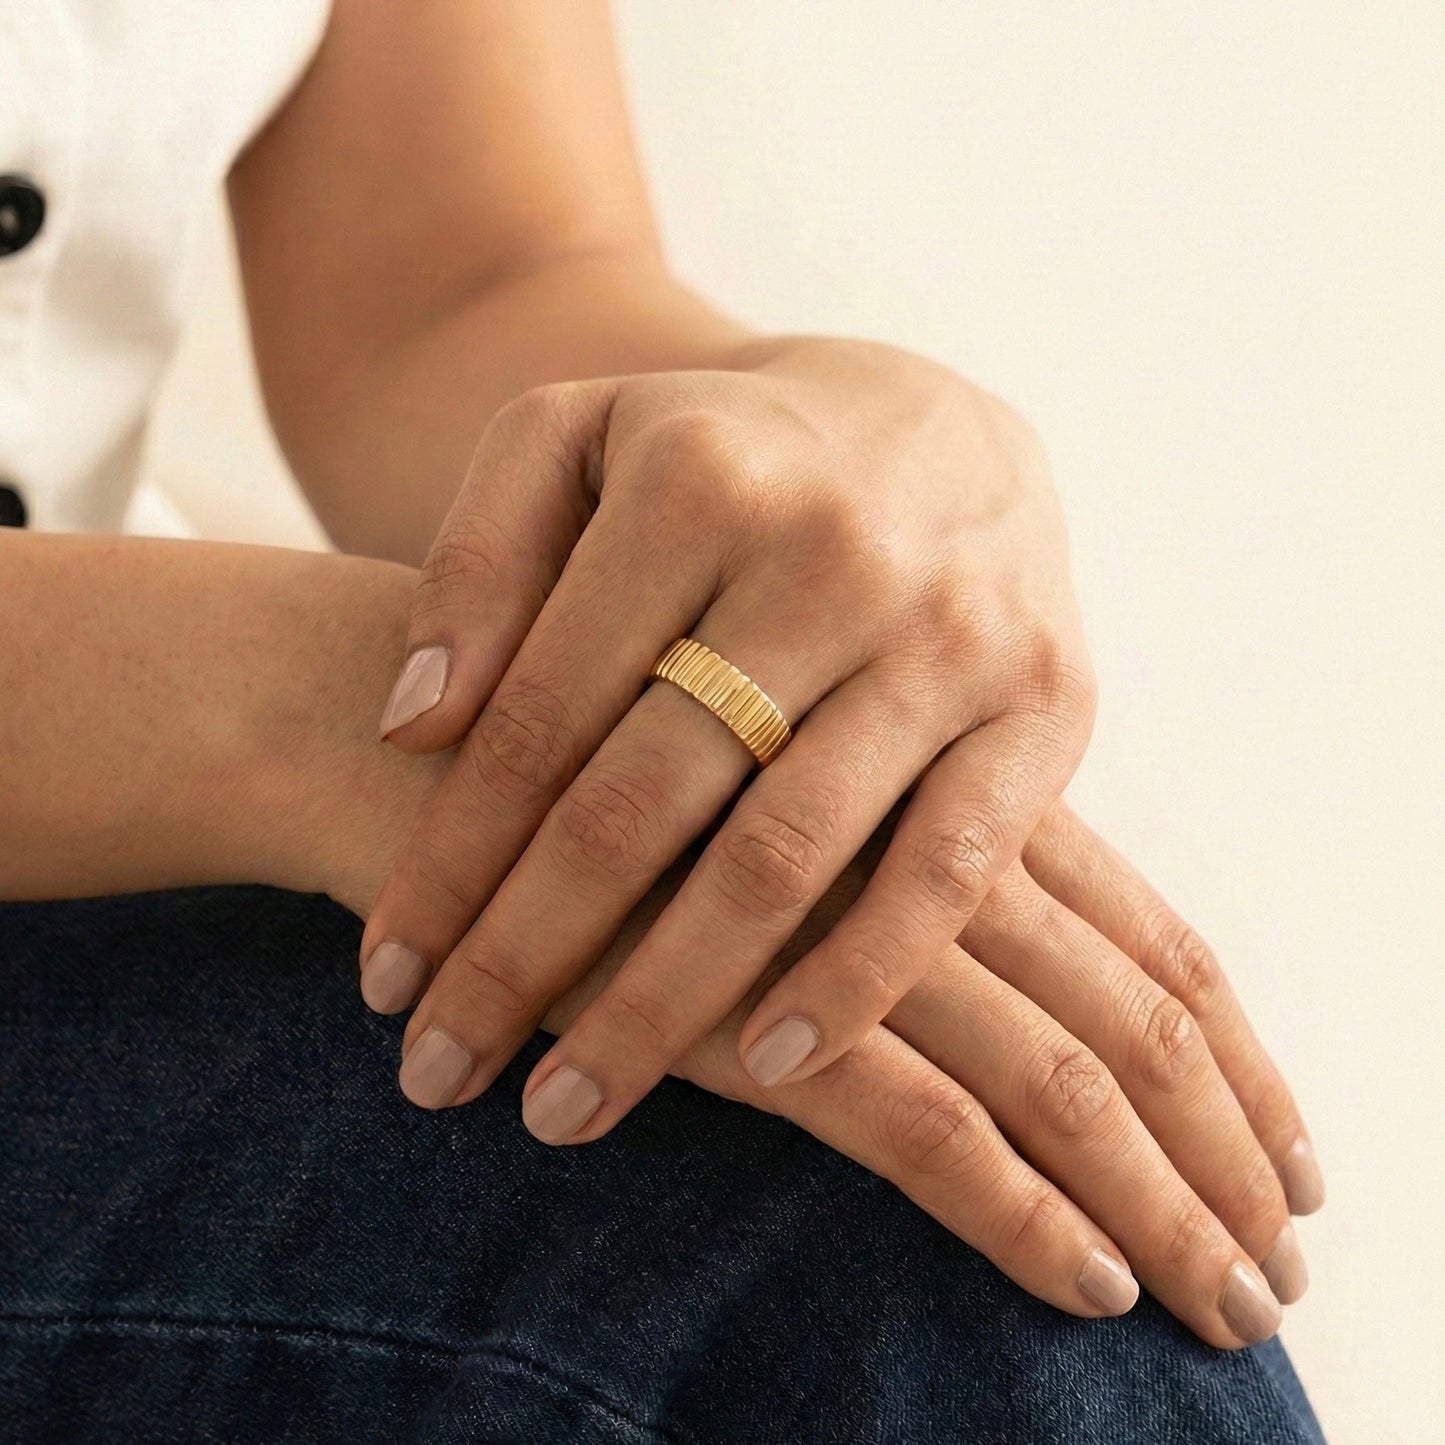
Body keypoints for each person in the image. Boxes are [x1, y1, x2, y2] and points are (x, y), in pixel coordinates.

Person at [0, 3, 1326, 1440]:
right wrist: (321, 712)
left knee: (952, 1177)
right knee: (843, 1281)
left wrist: (822, 444)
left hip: (147, 856)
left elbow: (460, 277)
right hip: (202, 765)